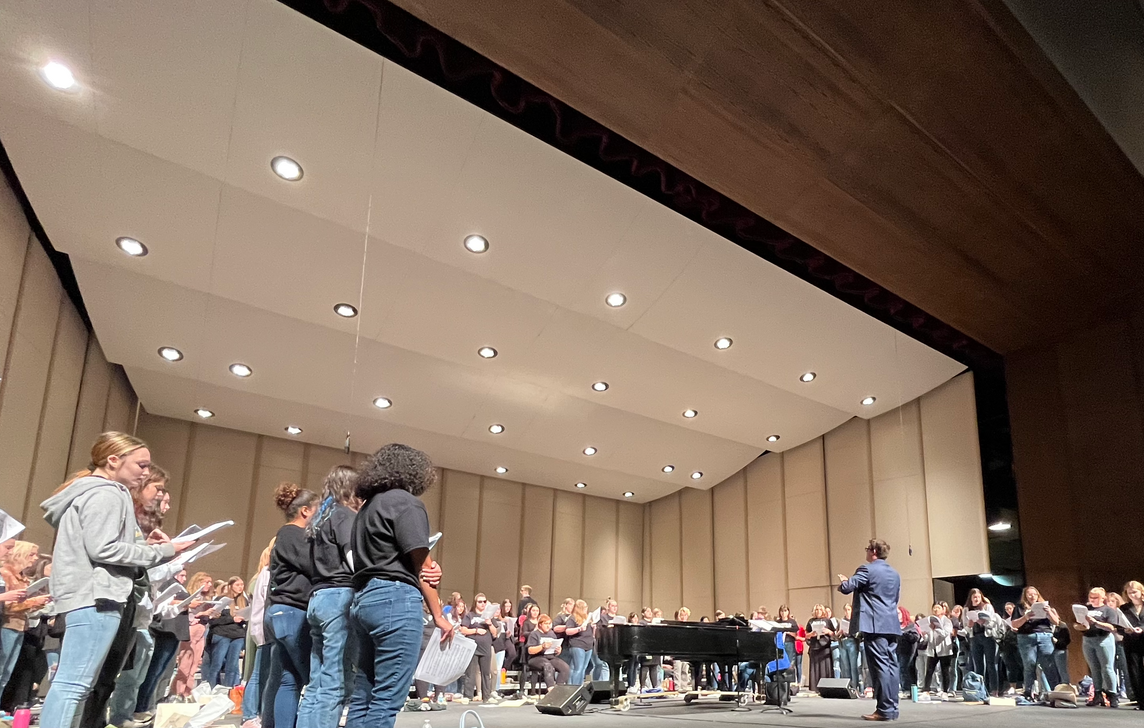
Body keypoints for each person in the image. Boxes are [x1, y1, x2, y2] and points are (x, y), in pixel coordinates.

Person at [39, 432, 189, 728]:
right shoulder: (106, 492)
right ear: (113, 460)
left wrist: (146, 547)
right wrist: (163, 551)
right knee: (74, 684)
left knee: (75, 683)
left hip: (88, 594)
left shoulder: (89, 492)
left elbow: (101, 544)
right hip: (98, 597)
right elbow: (103, 548)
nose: (146, 473)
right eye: (141, 465)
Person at [346, 443, 450, 728]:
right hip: (395, 599)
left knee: (364, 695)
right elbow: (423, 568)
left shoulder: (366, 509)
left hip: (363, 600)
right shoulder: (406, 502)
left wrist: (427, 562)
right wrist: (439, 616)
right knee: (388, 697)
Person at [297, 465, 360, 728]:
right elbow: (352, 557)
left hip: (317, 599)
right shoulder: (344, 515)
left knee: (317, 681)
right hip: (339, 599)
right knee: (335, 680)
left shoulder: (319, 518)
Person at [263, 482, 320, 727]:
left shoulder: (285, 535)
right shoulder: (292, 534)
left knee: (288, 679)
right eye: (319, 510)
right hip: (293, 612)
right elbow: (313, 565)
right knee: (311, 678)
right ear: (305, 511)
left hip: (282, 613)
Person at [838, 538, 901, 722]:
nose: (866, 552)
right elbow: (895, 598)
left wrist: (844, 581)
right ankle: (892, 708)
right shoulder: (895, 573)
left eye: (867, 549)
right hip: (891, 624)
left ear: (873, 551)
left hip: (874, 625)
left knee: (880, 667)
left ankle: (883, 710)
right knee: (891, 666)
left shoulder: (867, 569)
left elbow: (848, 587)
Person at [0, 541, 50, 698]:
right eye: (31, 554)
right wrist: (34, 601)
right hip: (7, 625)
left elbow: (21, 605)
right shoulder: (6, 575)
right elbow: (8, 606)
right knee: (1, 669)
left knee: (7, 672)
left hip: (21, 626)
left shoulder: (22, 577)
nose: (35, 558)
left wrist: (40, 603)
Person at [241, 540, 275, 728]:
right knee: (258, 673)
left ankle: (255, 712)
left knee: (262, 673)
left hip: (261, 627)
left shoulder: (265, 574)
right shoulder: (265, 574)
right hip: (262, 628)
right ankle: (250, 714)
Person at [1010, 585, 1060, 699]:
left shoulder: (1045, 606)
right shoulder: (1020, 607)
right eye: (1029, 594)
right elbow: (1014, 624)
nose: (1032, 596)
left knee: (1048, 664)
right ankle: (1028, 692)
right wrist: (1026, 617)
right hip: (1027, 637)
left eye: (1035, 594)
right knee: (1029, 664)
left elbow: (1056, 622)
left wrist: (1049, 612)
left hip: (1044, 635)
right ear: (1025, 596)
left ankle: (1055, 691)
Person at [1073, 586, 1121, 707]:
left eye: (1096, 597)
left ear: (1103, 598)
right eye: (1091, 597)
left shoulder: (1108, 610)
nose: (1093, 599)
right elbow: (1076, 624)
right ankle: (1097, 694)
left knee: (1107, 667)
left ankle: (1112, 694)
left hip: (1104, 639)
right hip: (1088, 639)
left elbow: (1112, 627)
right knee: (1094, 668)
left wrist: (1095, 622)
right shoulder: (1086, 609)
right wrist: (1080, 626)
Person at [203, 577, 248, 687]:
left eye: (242, 585)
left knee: (232, 666)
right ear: (230, 586)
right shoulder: (222, 599)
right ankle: (212, 688)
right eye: (237, 585)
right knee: (217, 664)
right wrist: (232, 619)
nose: (240, 587)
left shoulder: (244, 601)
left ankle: (229, 690)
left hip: (238, 635)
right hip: (222, 634)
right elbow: (213, 619)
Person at [174, 572, 213, 697]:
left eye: (210, 582)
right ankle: (177, 693)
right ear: (198, 583)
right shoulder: (189, 596)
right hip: (191, 629)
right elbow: (184, 613)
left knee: (194, 666)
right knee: (185, 665)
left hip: (201, 631)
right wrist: (199, 614)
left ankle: (187, 693)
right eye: (206, 582)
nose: (209, 585)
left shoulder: (205, 598)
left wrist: (211, 613)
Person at [963, 588, 1001, 696]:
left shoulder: (987, 606)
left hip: (988, 636)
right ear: (970, 598)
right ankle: (980, 689)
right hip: (975, 637)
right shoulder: (966, 609)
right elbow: (965, 624)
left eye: (978, 597)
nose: (976, 599)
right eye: (974, 597)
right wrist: (969, 625)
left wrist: (983, 622)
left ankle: (994, 690)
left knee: (991, 664)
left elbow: (993, 622)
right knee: (978, 665)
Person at [526, 613, 571, 688]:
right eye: (546, 624)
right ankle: (550, 689)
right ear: (540, 624)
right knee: (547, 665)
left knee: (565, 668)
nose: (548, 626)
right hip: (536, 658)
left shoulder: (551, 633)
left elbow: (555, 652)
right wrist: (542, 646)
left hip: (550, 657)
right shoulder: (534, 634)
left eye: (549, 624)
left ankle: (559, 688)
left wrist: (558, 650)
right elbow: (530, 650)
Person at [920, 603, 954, 697]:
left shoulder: (946, 621)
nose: (936, 610)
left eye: (938, 608)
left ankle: (945, 691)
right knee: (929, 670)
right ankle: (926, 690)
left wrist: (936, 628)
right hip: (933, 648)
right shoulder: (930, 621)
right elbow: (928, 636)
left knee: (945, 670)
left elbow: (945, 633)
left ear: (943, 610)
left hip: (944, 649)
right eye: (934, 608)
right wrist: (924, 635)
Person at [1119, 580, 1143, 710]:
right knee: (1134, 671)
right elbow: (1119, 625)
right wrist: (1125, 630)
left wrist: (1142, 628)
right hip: (1132, 642)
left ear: (1141, 592)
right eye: (1129, 593)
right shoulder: (1124, 608)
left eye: (1135, 592)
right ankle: (1141, 701)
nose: (1132, 595)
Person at [805, 604, 837, 692]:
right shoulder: (811, 621)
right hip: (814, 646)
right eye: (816, 610)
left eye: (820, 609)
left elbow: (834, 634)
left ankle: (826, 687)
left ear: (823, 611)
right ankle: (815, 688)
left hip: (825, 647)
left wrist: (828, 631)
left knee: (825, 668)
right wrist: (811, 634)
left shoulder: (827, 621)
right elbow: (806, 635)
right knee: (815, 668)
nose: (818, 611)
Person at [565, 599, 594, 686]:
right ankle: (575, 688)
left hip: (588, 645)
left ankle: (580, 687)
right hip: (578, 645)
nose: (586, 609)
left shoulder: (587, 619)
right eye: (585, 608)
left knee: (583, 668)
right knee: (578, 668)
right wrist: (579, 629)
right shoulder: (572, 618)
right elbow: (568, 631)